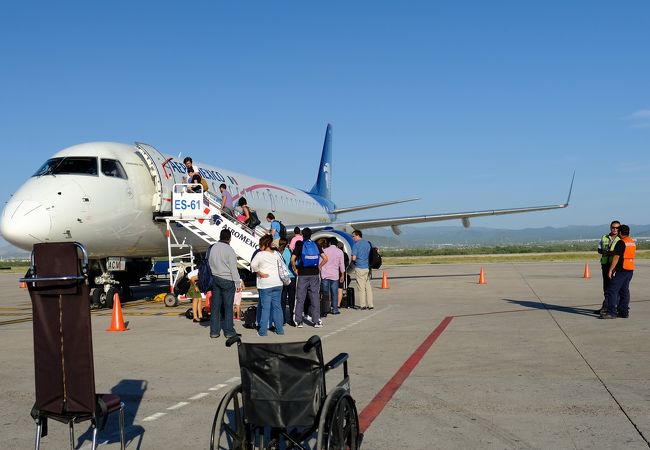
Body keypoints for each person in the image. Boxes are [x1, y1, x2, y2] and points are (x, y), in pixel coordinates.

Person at [208, 229, 242, 338]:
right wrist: (237, 283)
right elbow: (233, 269)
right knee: (228, 307)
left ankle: (214, 331)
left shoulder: (213, 247)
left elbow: (209, 262)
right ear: (229, 238)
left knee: (215, 306)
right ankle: (229, 331)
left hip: (216, 278)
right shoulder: (229, 250)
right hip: (227, 279)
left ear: (220, 236)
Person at [291, 227, 327, 328]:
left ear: (302, 235)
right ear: (311, 235)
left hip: (303, 274)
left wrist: (295, 269)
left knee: (300, 298)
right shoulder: (316, 244)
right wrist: (319, 267)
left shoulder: (300, 244)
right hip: (315, 274)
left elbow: (292, 259)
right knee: (315, 297)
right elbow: (325, 258)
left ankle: (299, 321)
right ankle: (316, 321)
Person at [249, 235, 285, 336]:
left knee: (265, 308)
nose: (259, 246)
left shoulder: (260, 254)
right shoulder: (277, 254)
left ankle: (262, 332)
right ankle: (280, 330)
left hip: (266, 284)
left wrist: (260, 273)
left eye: (261, 244)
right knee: (277, 307)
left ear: (265, 244)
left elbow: (253, 265)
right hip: (278, 283)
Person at [602, 224, 636, 319]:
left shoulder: (621, 242)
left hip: (621, 270)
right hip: (630, 269)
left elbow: (616, 257)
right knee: (624, 291)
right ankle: (624, 312)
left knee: (612, 290)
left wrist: (610, 270)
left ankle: (612, 312)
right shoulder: (632, 242)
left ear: (620, 232)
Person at [595, 221, 621, 314]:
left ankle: (613, 307)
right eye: (613, 227)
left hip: (615, 266)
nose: (615, 229)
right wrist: (605, 252)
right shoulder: (604, 237)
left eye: (617, 228)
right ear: (610, 227)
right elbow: (599, 249)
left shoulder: (620, 238)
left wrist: (611, 253)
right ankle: (605, 306)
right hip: (605, 264)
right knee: (606, 287)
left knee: (613, 288)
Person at [320, 237, 346, 315]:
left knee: (325, 293)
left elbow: (320, 263)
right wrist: (342, 275)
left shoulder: (324, 251)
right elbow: (342, 265)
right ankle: (335, 309)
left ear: (330, 243)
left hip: (325, 274)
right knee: (334, 293)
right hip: (335, 275)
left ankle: (325, 310)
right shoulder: (340, 252)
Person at [351, 230, 374, 310]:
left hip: (360, 267)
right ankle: (370, 304)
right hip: (367, 268)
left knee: (361, 288)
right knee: (368, 287)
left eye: (353, 236)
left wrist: (353, 261)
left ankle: (363, 305)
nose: (352, 238)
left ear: (357, 235)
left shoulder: (356, 245)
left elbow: (353, 258)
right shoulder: (367, 244)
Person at [278, 237, 296, 325]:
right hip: (291, 277)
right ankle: (292, 319)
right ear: (287, 244)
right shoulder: (289, 251)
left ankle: (282, 319)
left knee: (282, 300)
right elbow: (294, 263)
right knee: (292, 299)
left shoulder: (277, 253)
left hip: (281, 278)